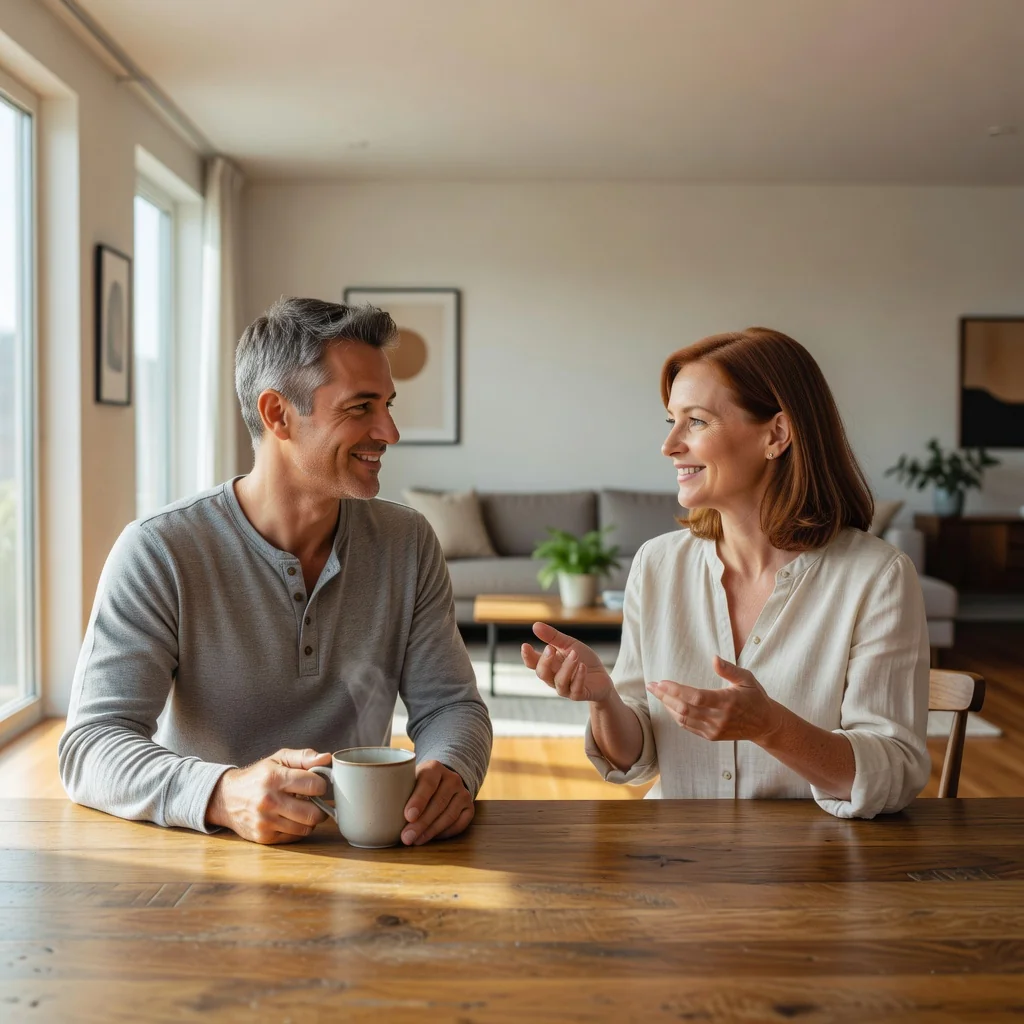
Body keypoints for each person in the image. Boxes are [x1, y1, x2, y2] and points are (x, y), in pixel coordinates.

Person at [60, 298, 492, 844]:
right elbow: (92, 744)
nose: (390, 431)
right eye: (361, 407)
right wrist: (222, 794)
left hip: (364, 859)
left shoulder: (407, 543)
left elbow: (451, 706)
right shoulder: (158, 551)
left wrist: (451, 770)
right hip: (199, 858)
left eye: (388, 404)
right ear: (277, 414)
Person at [522, 327, 929, 818]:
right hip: (678, 863)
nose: (669, 445)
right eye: (671, 420)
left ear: (776, 434)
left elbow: (896, 772)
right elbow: (637, 759)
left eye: (695, 421)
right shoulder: (656, 565)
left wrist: (772, 728)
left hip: (818, 870)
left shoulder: (877, 577)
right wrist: (604, 699)